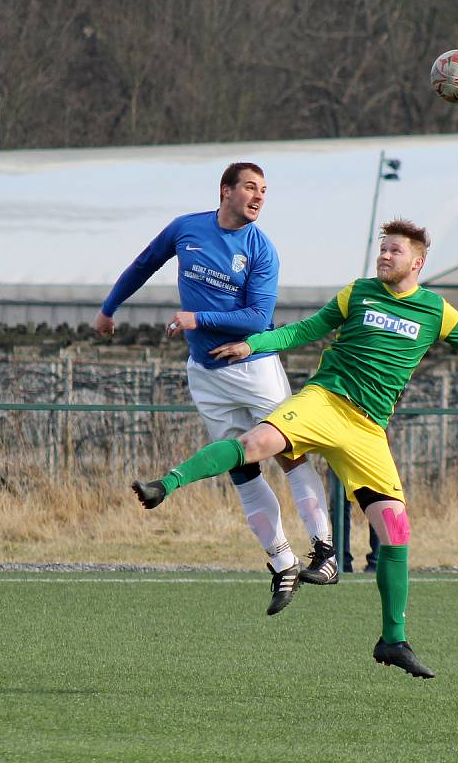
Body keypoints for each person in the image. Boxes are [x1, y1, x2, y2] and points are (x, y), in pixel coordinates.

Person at [132, 218, 458, 678]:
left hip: (368, 430)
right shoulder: (357, 293)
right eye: (383, 250)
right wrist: (252, 344)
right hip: (326, 400)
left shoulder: (438, 312)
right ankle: (165, 485)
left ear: (417, 262)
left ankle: (393, 640)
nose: (384, 256)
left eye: (394, 251)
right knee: (255, 443)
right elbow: (303, 331)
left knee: (395, 530)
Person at [93, 162, 336, 617]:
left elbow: (258, 320)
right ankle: (282, 562)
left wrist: (196, 319)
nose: (259, 196)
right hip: (205, 373)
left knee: (289, 453)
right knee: (241, 469)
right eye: (250, 187)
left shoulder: (262, 249)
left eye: (264, 189)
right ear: (225, 191)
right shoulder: (186, 229)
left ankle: (324, 550)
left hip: (255, 368)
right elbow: (144, 263)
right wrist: (109, 309)